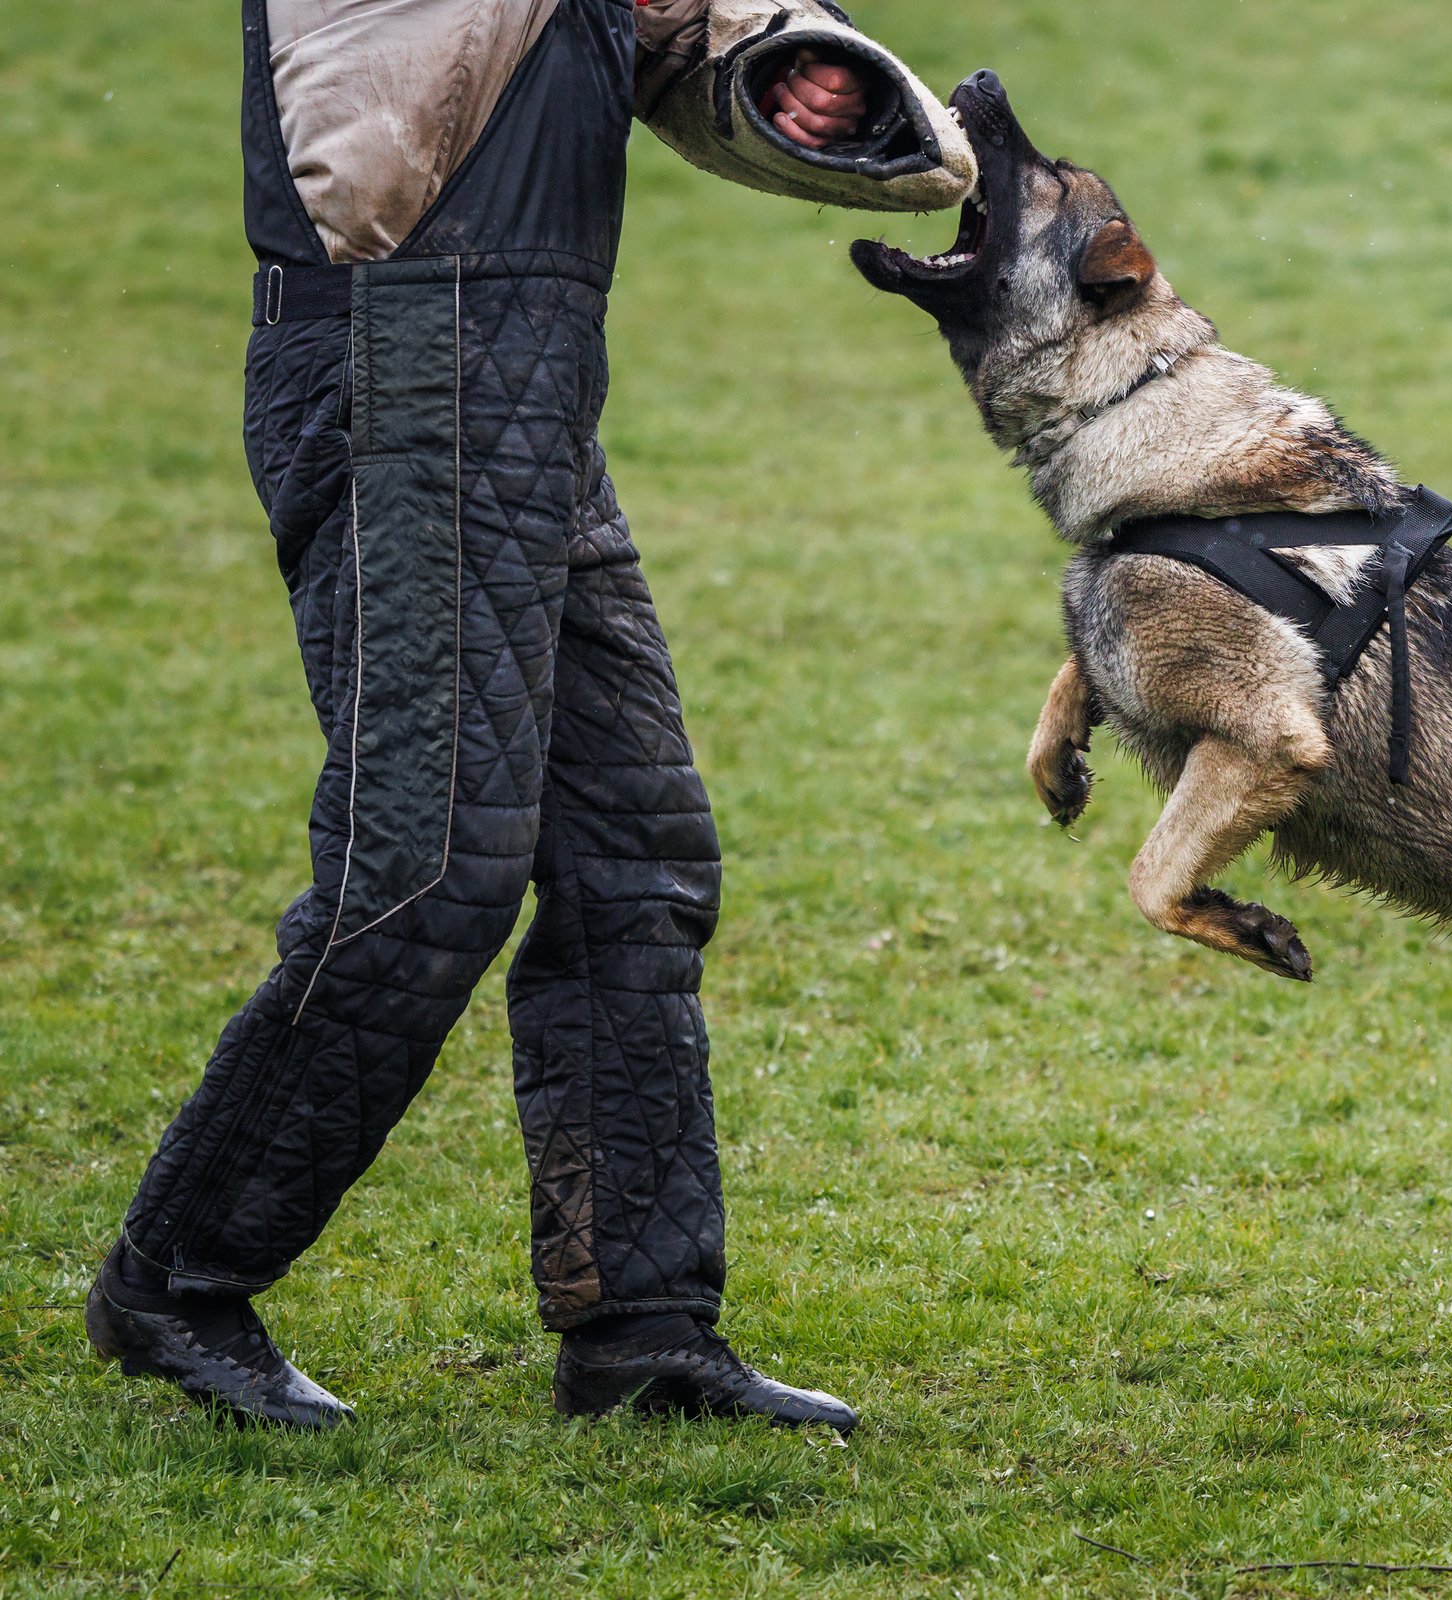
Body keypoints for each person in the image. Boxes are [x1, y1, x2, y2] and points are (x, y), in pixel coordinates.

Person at [84, 0, 975, 1431]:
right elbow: (387, 132)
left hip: (527, 377)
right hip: (402, 360)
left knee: (636, 861)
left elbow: (686, 30)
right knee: (428, 873)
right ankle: (176, 1279)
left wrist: (813, 84)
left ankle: (642, 1327)